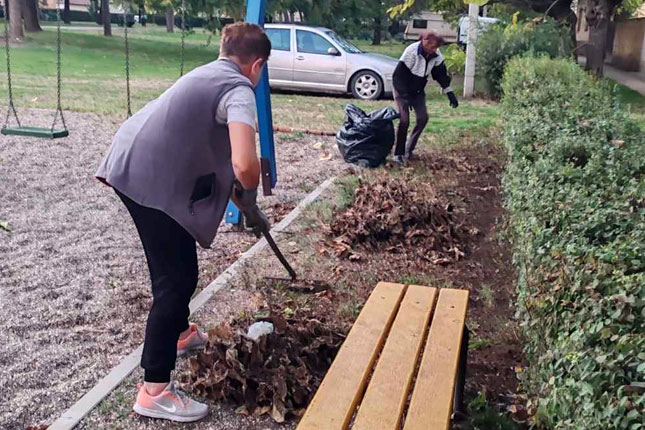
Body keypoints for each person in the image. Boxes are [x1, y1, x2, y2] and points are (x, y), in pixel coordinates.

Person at [95, 22, 271, 423]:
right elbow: (244, 164)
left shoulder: (209, 71)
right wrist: (249, 196)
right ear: (257, 66)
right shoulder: (239, 89)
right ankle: (154, 389)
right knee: (173, 281)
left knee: (179, 268)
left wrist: (240, 194)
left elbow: (213, 148)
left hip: (134, 161)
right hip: (145, 176)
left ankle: (179, 334)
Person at [392, 31, 459, 163]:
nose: (435, 50)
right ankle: (397, 154)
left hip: (418, 90)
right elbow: (398, 77)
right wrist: (405, 97)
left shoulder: (436, 55)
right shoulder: (411, 52)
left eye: (436, 47)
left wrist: (449, 92)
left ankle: (408, 149)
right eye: (433, 46)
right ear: (425, 42)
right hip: (402, 89)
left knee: (423, 118)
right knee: (404, 120)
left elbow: (440, 75)